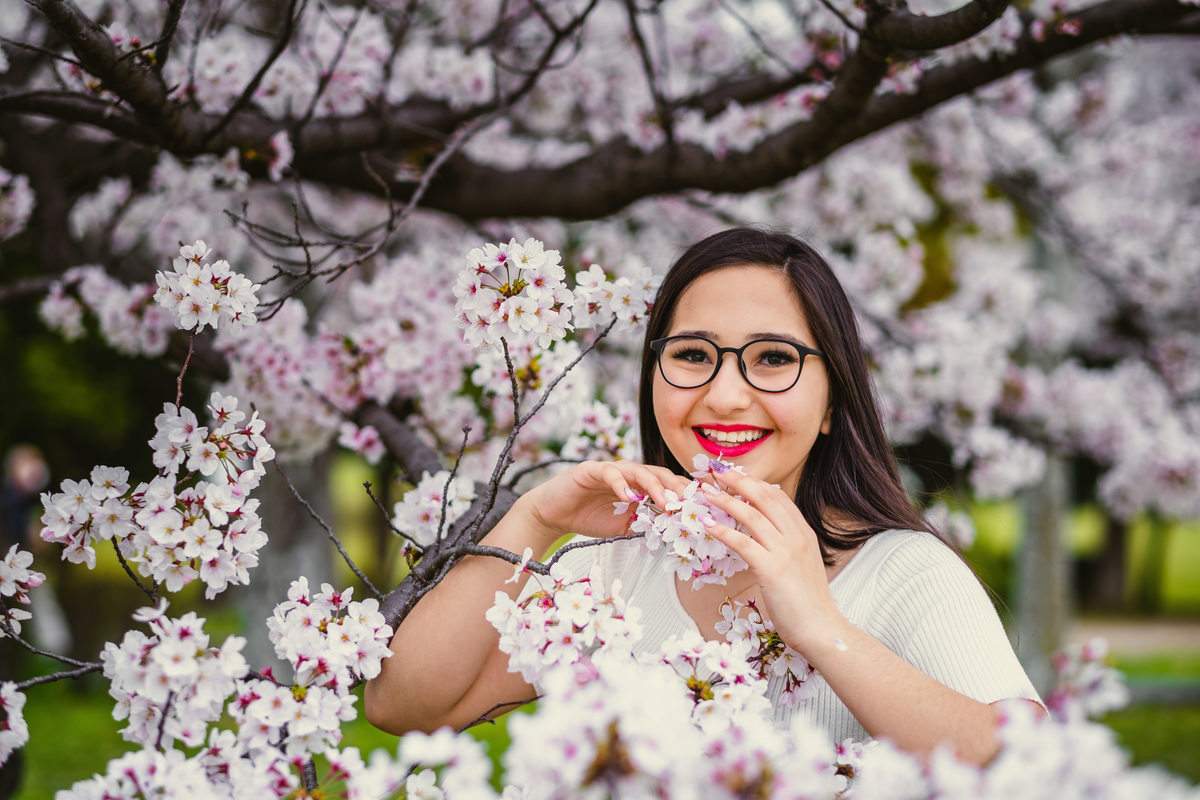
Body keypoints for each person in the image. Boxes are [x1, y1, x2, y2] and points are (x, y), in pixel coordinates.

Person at [364, 228, 1042, 764]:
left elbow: (1029, 767)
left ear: (834, 399)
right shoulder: (608, 574)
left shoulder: (902, 572)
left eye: (773, 358)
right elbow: (408, 707)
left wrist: (818, 626)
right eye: (692, 354)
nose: (723, 395)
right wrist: (534, 518)